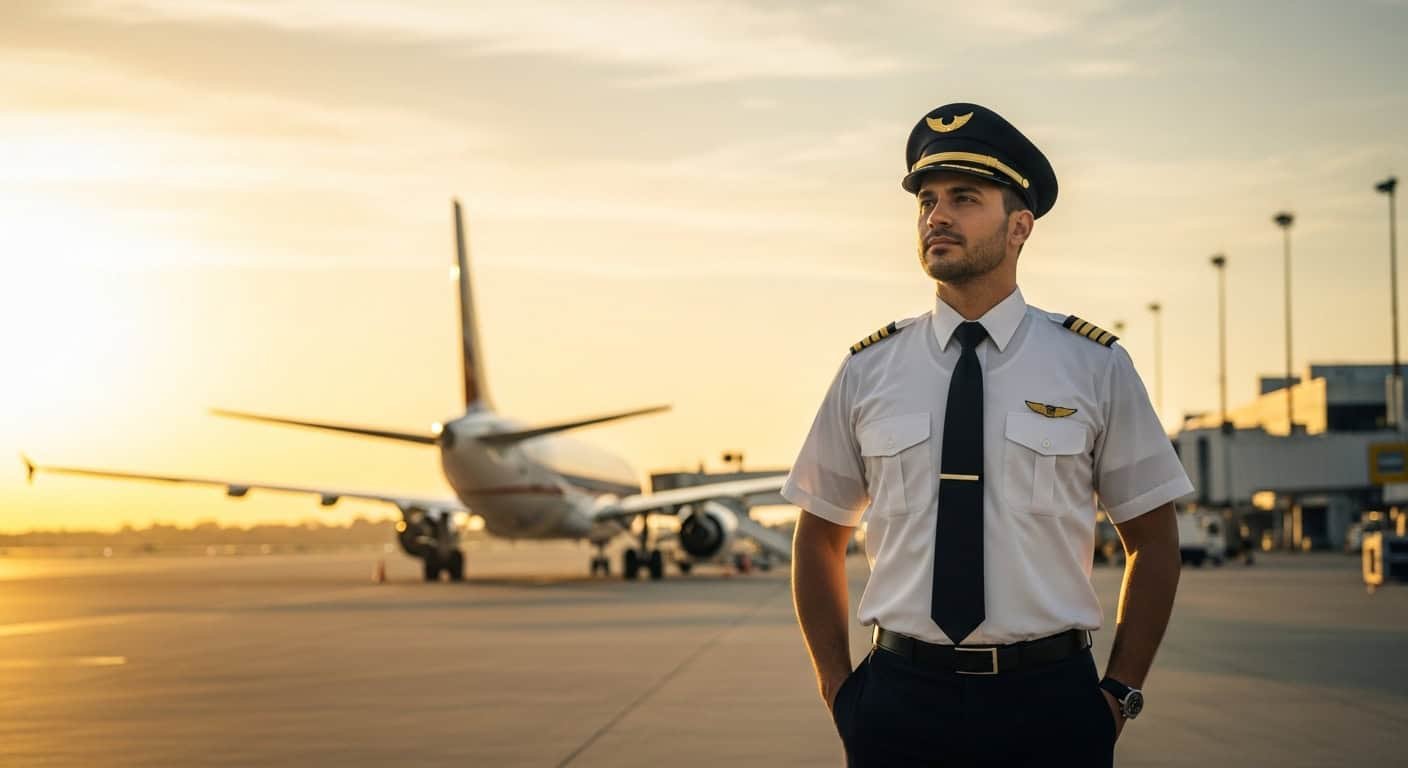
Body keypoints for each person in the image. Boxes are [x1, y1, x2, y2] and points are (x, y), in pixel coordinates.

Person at [785, 103, 1191, 767]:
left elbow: (1153, 541)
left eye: (964, 198)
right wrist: (840, 691)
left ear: (1019, 226)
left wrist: (1118, 694)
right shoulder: (868, 370)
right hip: (897, 704)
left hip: (1050, 706)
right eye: (926, 201)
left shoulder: (1093, 365)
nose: (935, 216)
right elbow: (818, 537)